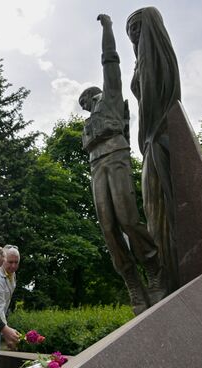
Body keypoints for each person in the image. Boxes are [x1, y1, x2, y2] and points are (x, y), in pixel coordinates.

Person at [78, 14, 165, 314]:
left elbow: (110, 61)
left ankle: (153, 267)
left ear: (93, 94)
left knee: (128, 219)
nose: (86, 106)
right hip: (95, 166)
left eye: (86, 100)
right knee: (108, 227)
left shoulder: (111, 97)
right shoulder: (89, 123)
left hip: (115, 157)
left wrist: (108, 28)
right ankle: (131, 280)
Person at [127, 7, 181, 294]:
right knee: (152, 211)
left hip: (158, 138)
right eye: (129, 31)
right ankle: (166, 278)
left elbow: (156, 100)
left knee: (158, 210)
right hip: (150, 140)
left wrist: (149, 135)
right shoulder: (141, 63)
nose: (133, 35)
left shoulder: (156, 56)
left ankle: (170, 277)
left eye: (137, 27)